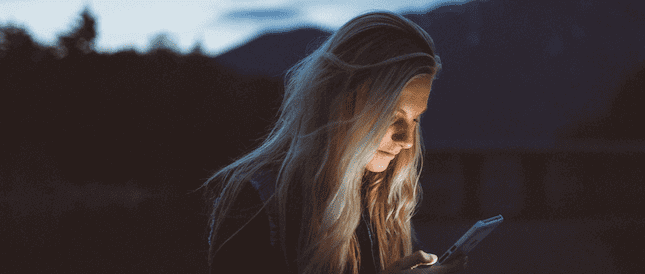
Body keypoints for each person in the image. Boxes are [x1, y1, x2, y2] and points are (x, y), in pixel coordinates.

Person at [200, 11, 468, 274]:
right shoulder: (257, 202)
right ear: (340, 100)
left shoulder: (380, 203)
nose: (407, 141)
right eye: (391, 116)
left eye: (415, 120)